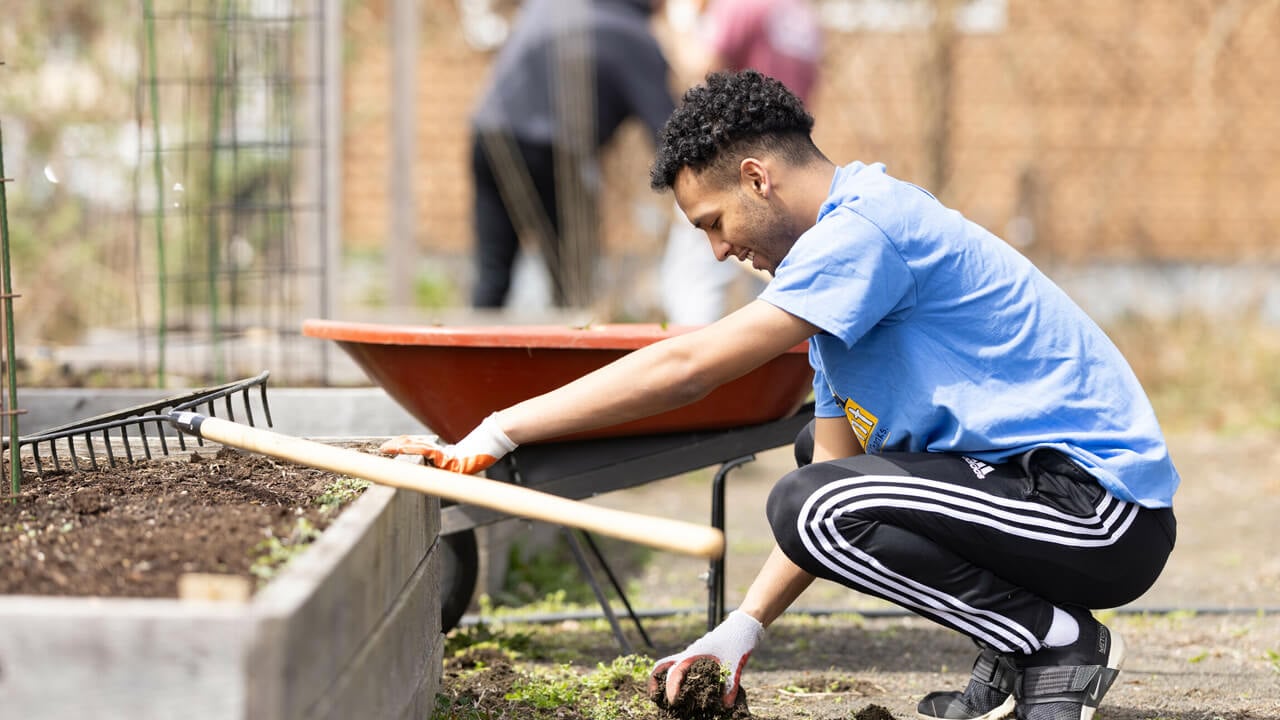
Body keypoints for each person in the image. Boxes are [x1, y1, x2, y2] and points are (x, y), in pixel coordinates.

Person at [383, 70, 1179, 720]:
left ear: (758, 178)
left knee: (811, 498)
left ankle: (1055, 642)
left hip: (1095, 511)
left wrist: (501, 427)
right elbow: (835, 479)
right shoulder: (835, 303)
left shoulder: (863, 230)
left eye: (713, 221)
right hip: (1031, 503)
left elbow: (689, 367)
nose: (721, 248)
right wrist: (740, 630)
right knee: (817, 470)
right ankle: (1024, 640)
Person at [469, 0, 676, 309]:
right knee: (573, 283)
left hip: (488, 136)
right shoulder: (634, 38)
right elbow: (670, 137)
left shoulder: (551, 6)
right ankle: (570, 347)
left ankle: (471, 353)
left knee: (493, 274)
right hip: (554, 154)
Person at [658, 0, 822, 324]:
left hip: (725, 168)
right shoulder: (803, 16)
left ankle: (699, 360)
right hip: (783, 163)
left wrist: (670, 20)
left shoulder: (741, 6)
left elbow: (701, 68)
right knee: (771, 294)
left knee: (692, 286)